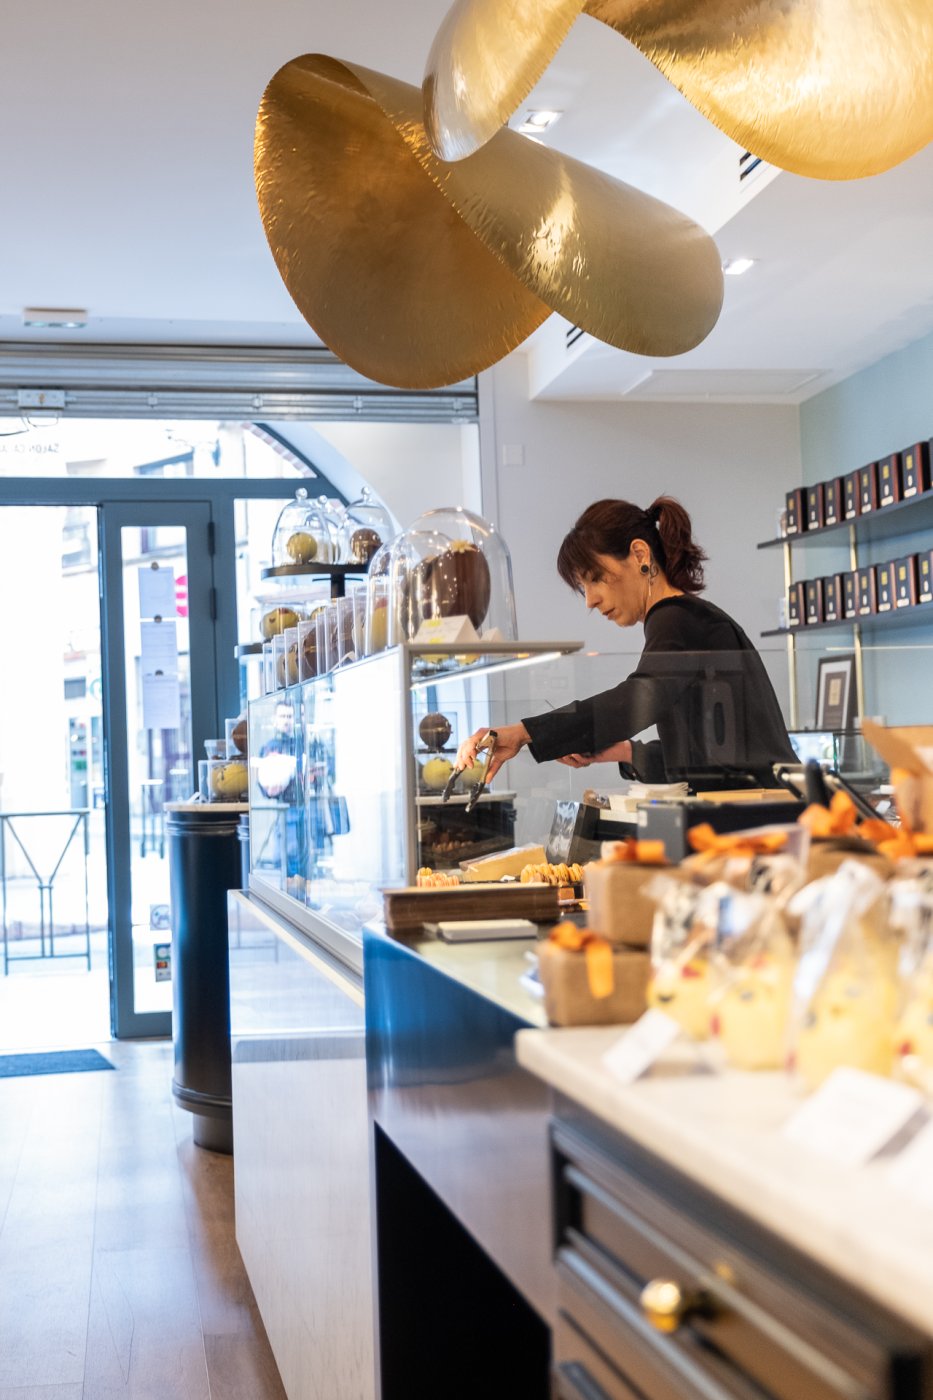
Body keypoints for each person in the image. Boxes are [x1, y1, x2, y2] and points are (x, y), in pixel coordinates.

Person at [456, 497, 796, 791]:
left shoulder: (675, 619)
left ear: (638, 554)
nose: (589, 600)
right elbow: (711, 756)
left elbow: (636, 700)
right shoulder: (686, 619)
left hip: (765, 822)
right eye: (582, 587)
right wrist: (623, 752)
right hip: (766, 813)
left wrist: (523, 732)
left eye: (594, 578)